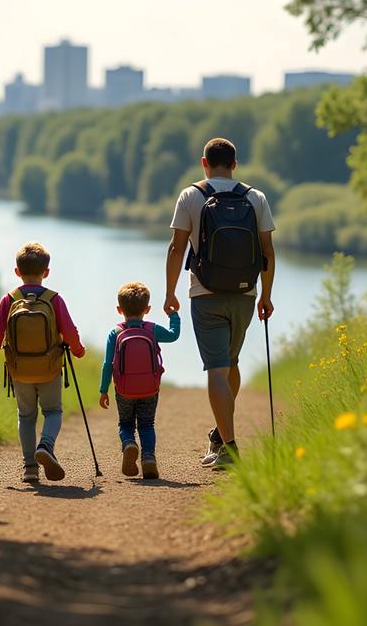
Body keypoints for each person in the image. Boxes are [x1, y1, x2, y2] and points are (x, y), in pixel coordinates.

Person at [163, 137, 275, 469]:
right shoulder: (256, 197)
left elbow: (176, 248)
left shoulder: (191, 195)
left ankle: (228, 446)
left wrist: (170, 293)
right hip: (244, 293)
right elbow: (268, 252)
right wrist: (265, 295)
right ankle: (220, 435)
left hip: (204, 292)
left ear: (204, 163)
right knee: (231, 363)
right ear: (235, 165)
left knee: (216, 369)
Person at [0, 242, 86, 483]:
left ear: (17, 272)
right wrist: (78, 350)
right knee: (53, 411)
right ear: (46, 272)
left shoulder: (9, 300)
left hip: (19, 370)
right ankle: (46, 446)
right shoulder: (54, 299)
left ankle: (30, 467)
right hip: (49, 368)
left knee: (26, 417)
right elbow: (69, 331)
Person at [98, 282, 180, 479]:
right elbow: (173, 335)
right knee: (146, 424)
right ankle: (149, 458)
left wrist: (103, 390)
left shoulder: (115, 333)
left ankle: (129, 444)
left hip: (124, 390)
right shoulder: (151, 329)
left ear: (119, 309)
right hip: (149, 389)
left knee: (126, 424)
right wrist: (173, 315)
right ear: (147, 309)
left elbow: (107, 364)